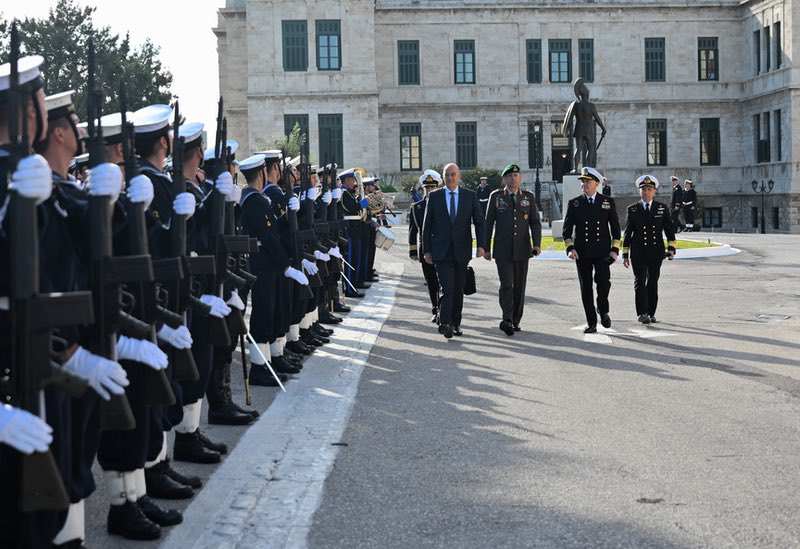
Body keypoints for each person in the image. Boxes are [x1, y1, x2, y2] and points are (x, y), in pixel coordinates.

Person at [421, 163, 486, 339]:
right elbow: (427, 226)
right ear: (443, 177)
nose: (450, 178)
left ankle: (456, 323)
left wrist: (481, 245)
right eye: (447, 175)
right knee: (447, 288)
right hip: (441, 252)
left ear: (459, 176)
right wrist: (426, 250)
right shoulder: (434, 197)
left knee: (458, 289)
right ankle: (445, 323)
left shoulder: (469, 196)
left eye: (453, 174)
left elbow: (479, 222)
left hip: (462, 251)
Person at [484, 163, 542, 336]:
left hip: (522, 249)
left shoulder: (528, 197)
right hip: (503, 250)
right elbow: (488, 223)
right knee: (507, 285)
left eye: (516, 175)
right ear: (504, 179)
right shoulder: (496, 197)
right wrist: (485, 247)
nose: (513, 179)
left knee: (519, 287)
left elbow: (535, 223)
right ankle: (507, 319)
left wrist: (537, 244)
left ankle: (516, 320)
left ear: (520, 178)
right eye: (509, 176)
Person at [562, 166, 621, 334]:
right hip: (582, 252)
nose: (584, 185)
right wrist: (570, 248)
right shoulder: (575, 203)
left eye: (588, 182)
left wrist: (614, 250)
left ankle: (603, 309)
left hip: (602, 252)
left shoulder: (607, 202)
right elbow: (567, 230)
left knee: (603, 283)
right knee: (586, 288)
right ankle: (591, 322)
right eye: (583, 182)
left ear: (596, 184)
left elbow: (615, 228)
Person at [622, 175, 677, 324]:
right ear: (639, 191)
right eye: (643, 189)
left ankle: (651, 312)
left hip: (656, 252)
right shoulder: (632, 209)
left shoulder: (661, 208)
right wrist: (625, 255)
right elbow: (628, 233)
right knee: (639, 282)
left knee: (652, 282)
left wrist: (671, 248)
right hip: (638, 252)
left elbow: (669, 230)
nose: (646, 192)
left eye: (649, 189)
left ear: (654, 191)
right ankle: (642, 313)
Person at [408, 169, 442, 322]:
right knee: (431, 282)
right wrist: (413, 250)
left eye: (432, 187)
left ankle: (443, 309)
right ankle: (435, 308)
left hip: (442, 248)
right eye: (427, 188)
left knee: (443, 281)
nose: (430, 190)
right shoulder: (417, 207)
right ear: (423, 189)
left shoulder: (443, 205)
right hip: (425, 249)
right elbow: (413, 230)